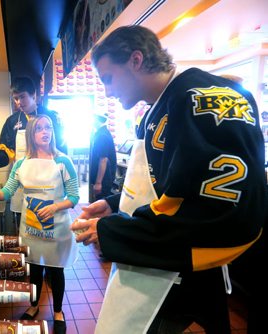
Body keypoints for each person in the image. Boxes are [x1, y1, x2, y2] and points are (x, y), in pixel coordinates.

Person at [71, 25, 267, 333]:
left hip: (193, 252)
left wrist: (115, 230)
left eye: (108, 78)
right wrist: (113, 205)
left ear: (136, 60)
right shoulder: (160, 106)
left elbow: (211, 204)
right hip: (177, 254)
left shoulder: (197, 97)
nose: (107, 91)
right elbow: (168, 180)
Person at [0, 115, 79, 334]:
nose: (46, 132)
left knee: (56, 269)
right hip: (31, 228)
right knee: (34, 268)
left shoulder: (63, 161)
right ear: (31, 135)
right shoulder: (22, 164)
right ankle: (34, 306)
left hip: (57, 229)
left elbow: (74, 196)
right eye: (40, 129)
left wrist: (55, 207)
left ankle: (58, 312)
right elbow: (7, 192)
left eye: (49, 128)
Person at [0, 77, 68, 230]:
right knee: (25, 226)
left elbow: (62, 151)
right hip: (23, 183)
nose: (19, 102)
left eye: (22, 97)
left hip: (49, 182)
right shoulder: (11, 122)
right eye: (16, 98)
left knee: (49, 228)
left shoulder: (51, 117)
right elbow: (7, 154)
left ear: (34, 95)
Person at [89, 112, 116, 202]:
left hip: (104, 179)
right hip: (104, 177)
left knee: (101, 203)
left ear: (96, 120)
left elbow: (103, 159)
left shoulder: (102, 136)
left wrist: (98, 183)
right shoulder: (102, 132)